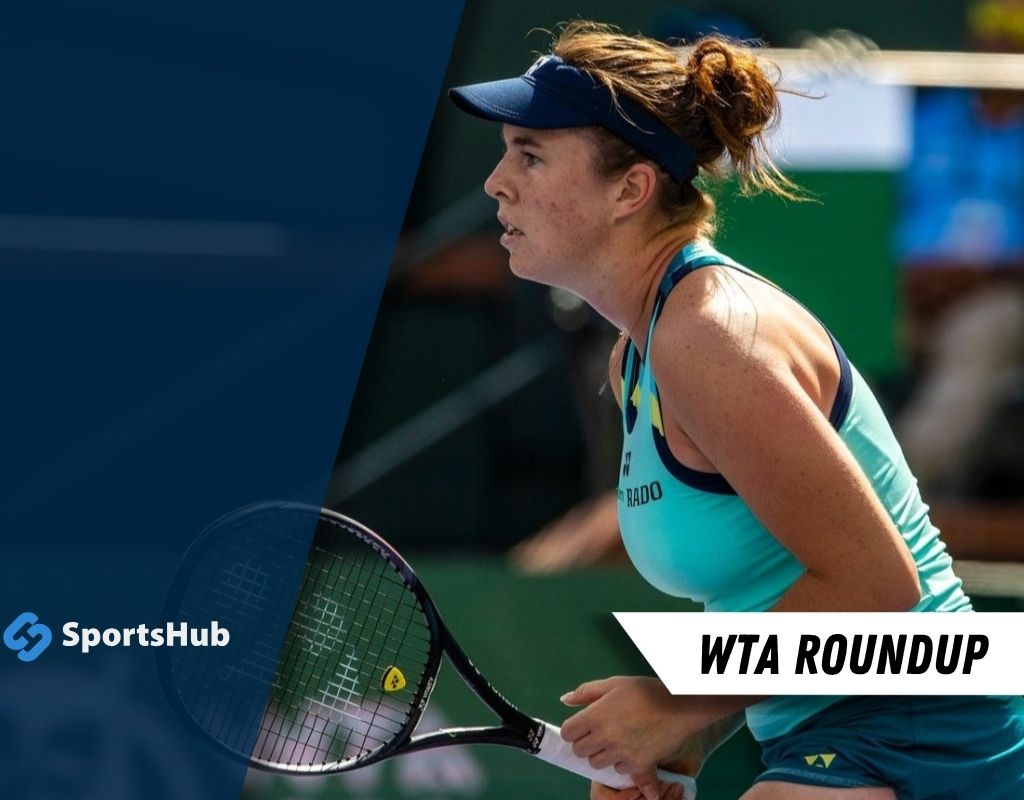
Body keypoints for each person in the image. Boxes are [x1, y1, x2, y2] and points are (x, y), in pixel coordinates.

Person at [448, 21, 1024, 800]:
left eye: (531, 154)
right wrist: (694, 731)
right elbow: (769, 588)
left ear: (630, 189)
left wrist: (677, 700)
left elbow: (879, 584)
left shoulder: (709, 338)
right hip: (831, 732)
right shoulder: (640, 357)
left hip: (926, 734)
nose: (496, 182)